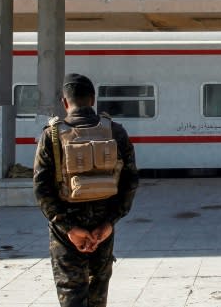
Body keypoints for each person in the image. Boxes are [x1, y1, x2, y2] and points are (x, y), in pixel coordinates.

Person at [33, 73, 139, 307]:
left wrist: (69, 227)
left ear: (64, 102)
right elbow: (130, 181)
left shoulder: (51, 135)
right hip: (103, 226)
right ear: (93, 99)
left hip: (66, 232)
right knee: (98, 294)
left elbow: (42, 188)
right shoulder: (115, 131)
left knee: (71, 293)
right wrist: (109, 222)